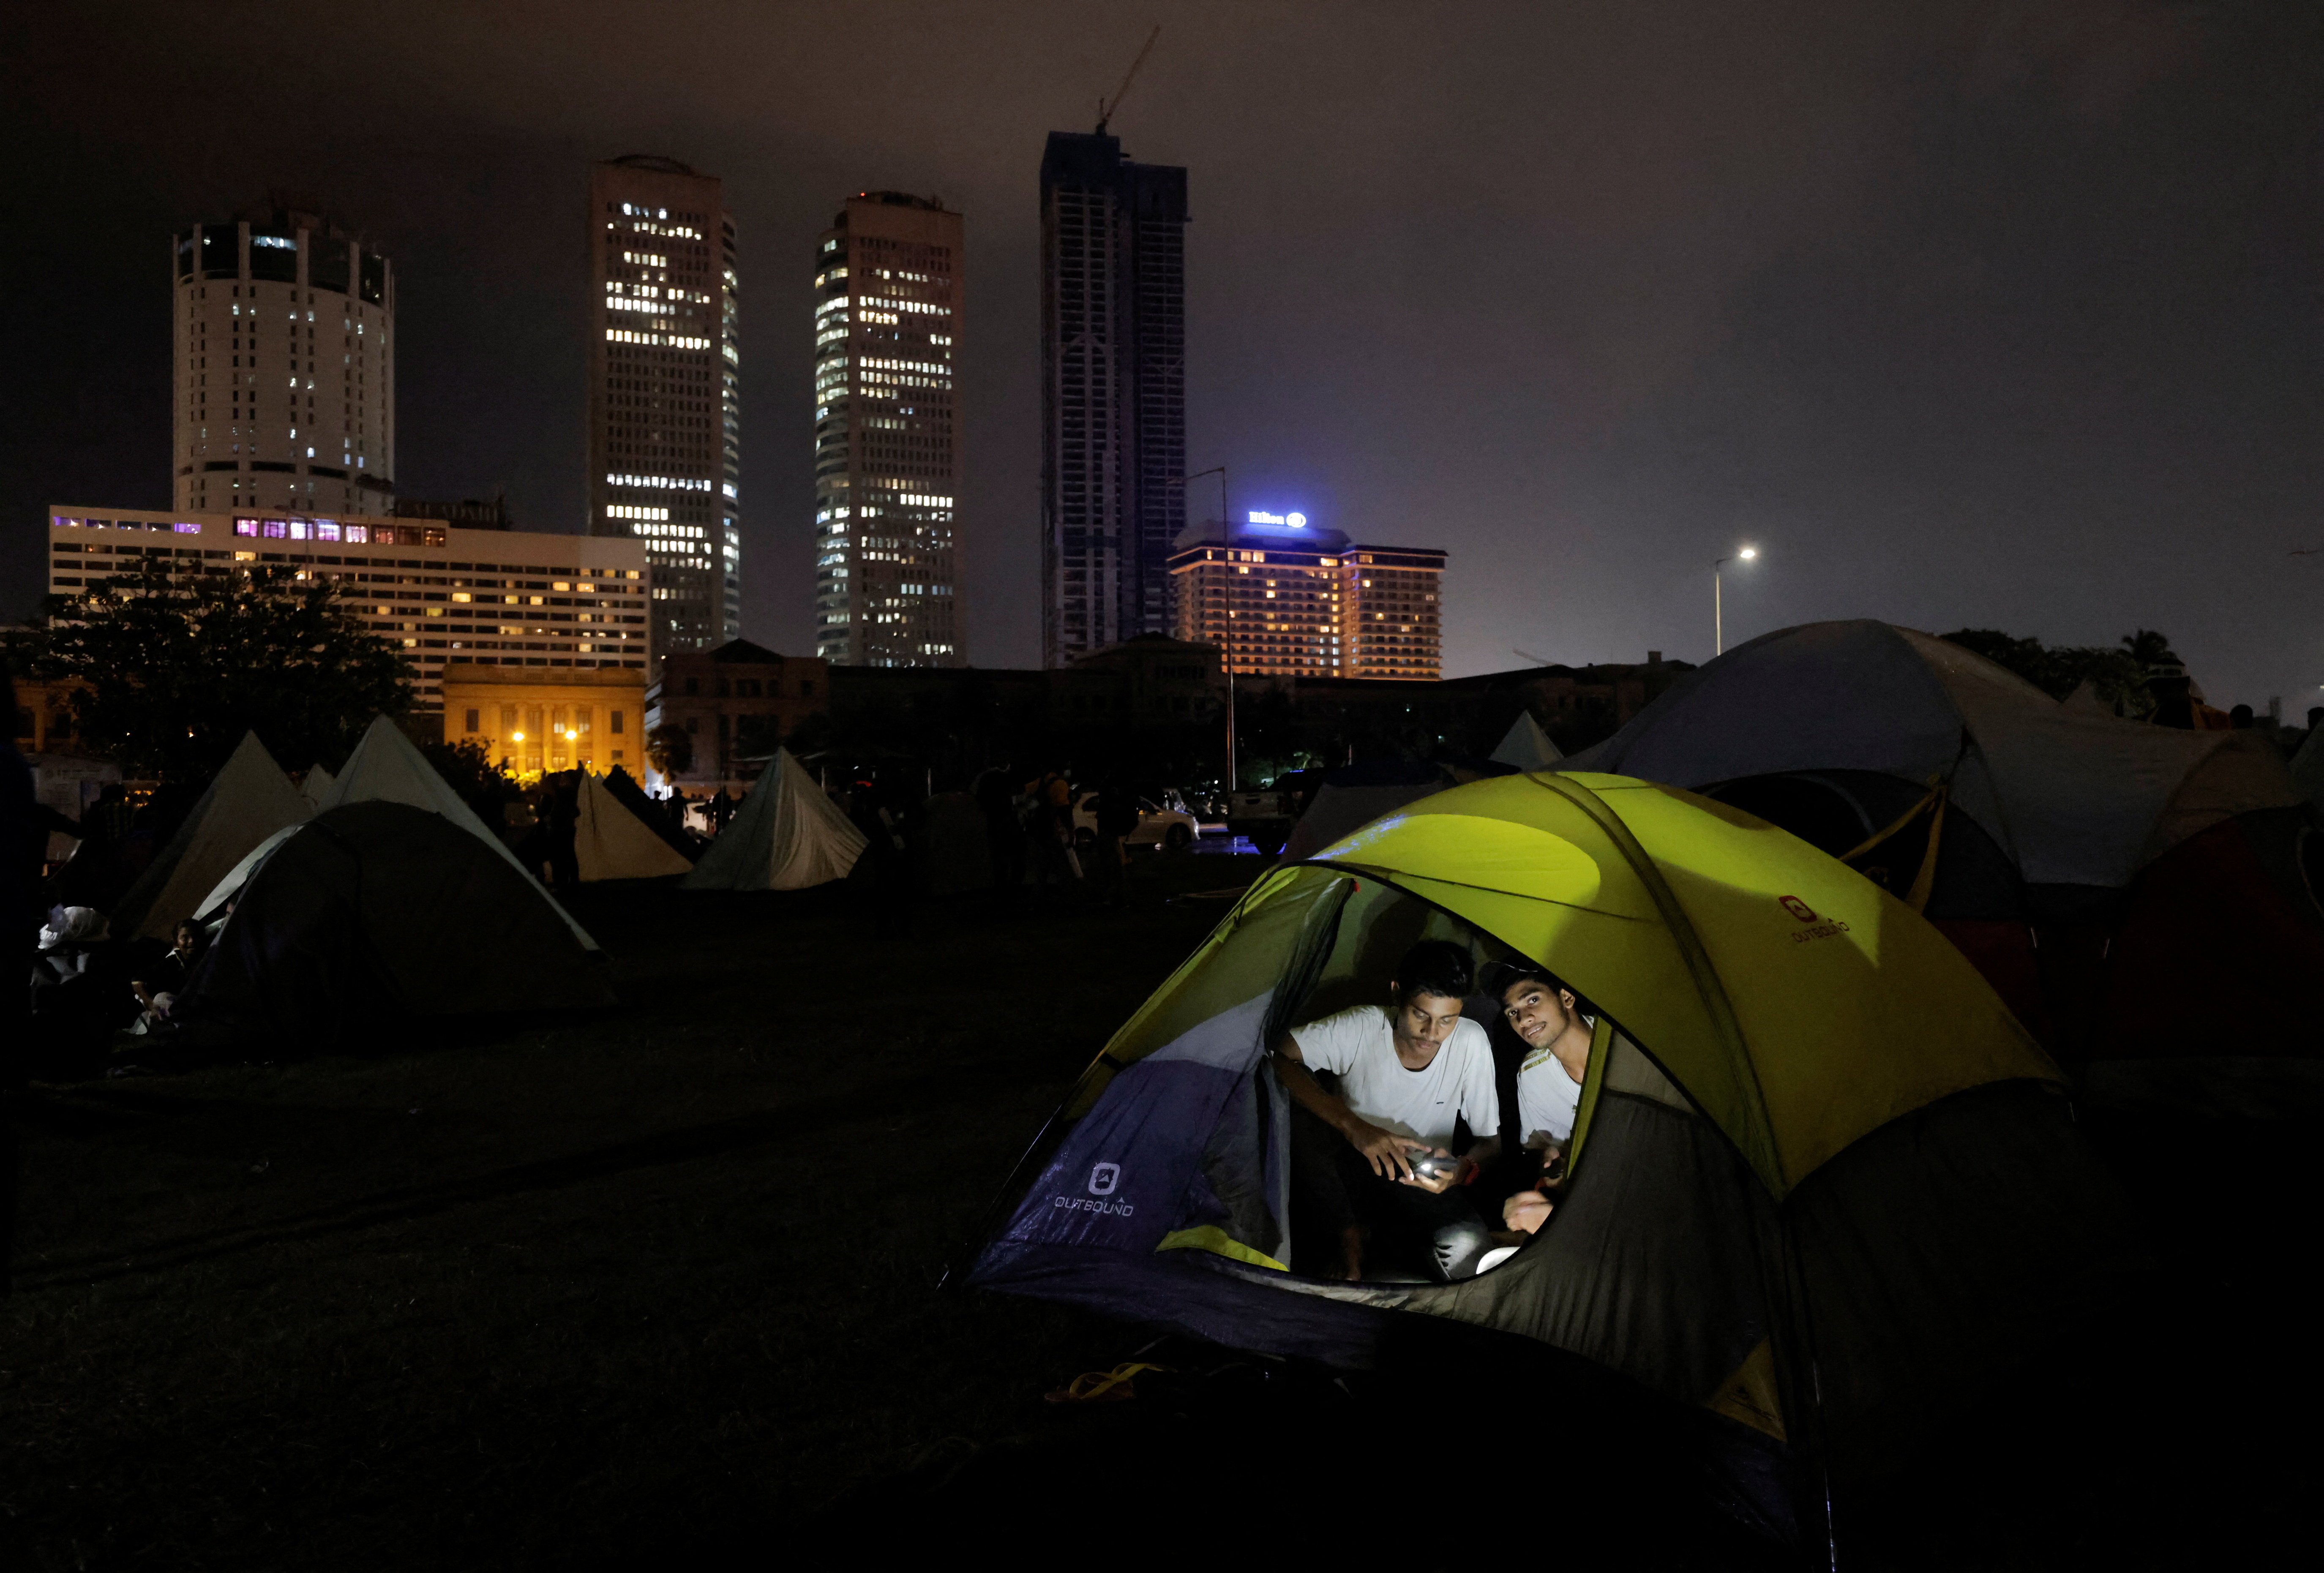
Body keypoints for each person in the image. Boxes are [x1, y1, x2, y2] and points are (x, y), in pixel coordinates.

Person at [1274, 940, 1499, 1282]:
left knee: (1471, 1248)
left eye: (1447, 1020)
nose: (1431, 1033)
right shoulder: (1362, 1026)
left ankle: (1381, 1242)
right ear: (1397, 994)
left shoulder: (1471, 1041)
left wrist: (1462, 1170)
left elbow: (1491, 1144)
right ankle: (1349, 1237)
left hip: (1418, 1178)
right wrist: (1355, 1127)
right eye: (1420, 1015)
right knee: (1303, 1119)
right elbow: (1276, 1057)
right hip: (1349, 1170)